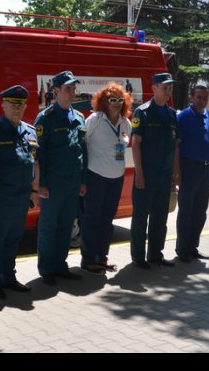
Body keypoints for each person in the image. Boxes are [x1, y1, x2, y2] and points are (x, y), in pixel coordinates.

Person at [0, 85, 39, 299]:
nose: (17, 108)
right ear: (3, 105)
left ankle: (9, 277)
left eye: (21, 104)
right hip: (0, 195)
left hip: (22, 194)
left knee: (14, 238)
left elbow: (36, 161)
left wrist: (34, 189)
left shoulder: (30, 130)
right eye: (12, 104)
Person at [34, 70, 87, 285]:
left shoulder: (79, 117)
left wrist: (83, 180)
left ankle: (60, 265)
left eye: (74, 88)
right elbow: (38, 154)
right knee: (49, 227)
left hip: (72, 182)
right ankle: (47, 269)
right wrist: (41, 184)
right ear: (55, 92)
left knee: (66, 226)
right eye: (68, 89)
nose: (72, 92)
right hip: (52, 184)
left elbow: (83, 151)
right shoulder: (45, 118)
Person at [80, 82, 132, 275]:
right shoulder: (95, 120)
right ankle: (88, 260)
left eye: (120, 100)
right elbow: (82, 146)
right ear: (104, 101)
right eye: (112, 100)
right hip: (95, 176)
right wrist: (83, 178)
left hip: (115, 178)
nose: (117, 103)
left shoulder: (126, 123)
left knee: (107, 220)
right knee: (92, 219)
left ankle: (101, 258)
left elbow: (122, 149)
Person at [130, 72, 180, 269]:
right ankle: (138, 257)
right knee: (141, 217)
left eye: (170, 87)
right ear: (154, 88)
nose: (168, 91)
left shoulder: (172, 114)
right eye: (164, 87)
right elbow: (135, 144)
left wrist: (175, 172)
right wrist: (139, 173)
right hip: (147, 174)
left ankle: (155, 254)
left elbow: (176, 145)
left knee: (161, 217)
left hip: (164, 175)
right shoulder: (142, 112)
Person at [175, 85, 209, 263]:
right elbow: (176, 145)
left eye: (205, 97)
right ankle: (182, 249)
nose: (202, 100)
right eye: (199, 97)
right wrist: (177, 171)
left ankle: (193, 247)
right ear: (191, 97)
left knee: (200, 211)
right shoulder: (184, 117)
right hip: (189, 168)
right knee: (186, 210)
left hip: (206, 169)